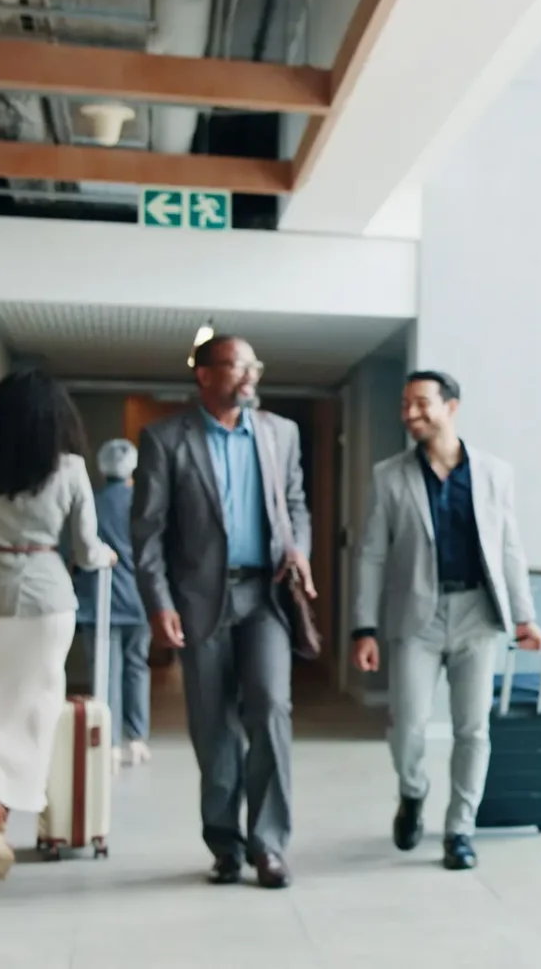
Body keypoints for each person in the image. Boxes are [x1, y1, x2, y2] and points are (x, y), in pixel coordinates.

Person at [132, 334, 315, 890]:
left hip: (265, 598)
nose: (248, 375)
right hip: (197, 601)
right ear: (204, 375)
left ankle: (269, 845)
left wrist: (298, 548)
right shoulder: (165, 439)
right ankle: (224, 843)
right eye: (236, 366)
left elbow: (297, 503)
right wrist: (159, 603)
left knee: (271, 708)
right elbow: (147, 533)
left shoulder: (281, 433)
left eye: (253, 365)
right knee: (213, 728)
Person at [350, 370, 541, 871]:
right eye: (404, 404)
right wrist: (364, 627)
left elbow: (509, 549)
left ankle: (460, 829)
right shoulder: (389, 475)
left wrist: (525, 618)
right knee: (409, 727)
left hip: (479, 614)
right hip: (418, 617)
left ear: (451, 407)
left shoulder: (493, 473)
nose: (410, 414)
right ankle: (413, 792)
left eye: (421, 403)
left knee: (472, 730)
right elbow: (372, 554)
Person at [0, 368, 115, 880]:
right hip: (47, 600)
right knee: (37, 712)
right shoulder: (71, 469)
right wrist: (107, 556)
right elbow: (85, 548)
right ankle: (26, 803)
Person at [70, 438, 151, 768]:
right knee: (137, 668)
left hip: (99, 602)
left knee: (105, 671)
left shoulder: (92, 503)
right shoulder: (144, 505)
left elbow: (76, 551)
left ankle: (110, 743)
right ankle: (137, 739)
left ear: (102, 469)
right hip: (139, 600)